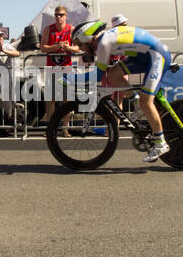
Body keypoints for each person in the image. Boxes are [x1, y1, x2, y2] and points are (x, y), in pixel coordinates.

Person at [70, 18, 175, 162]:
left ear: (87, 39)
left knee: (147, 102)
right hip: (142, 56)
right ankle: (136, 103)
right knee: (113, 74)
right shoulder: (103, 40)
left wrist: (71, 79)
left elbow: (98, 75)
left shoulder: (103, 43)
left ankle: (161, 143)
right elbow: (103, 71)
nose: (80, 48)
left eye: (79, 44)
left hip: (156, 55)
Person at [41, 5, 80, 125]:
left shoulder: (71, 29)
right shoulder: (49, 29)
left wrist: (69, 48)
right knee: (51, 99)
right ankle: (50, 127)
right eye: (56, 15)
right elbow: (42, 47)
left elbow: (78, 48)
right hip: (52, 68)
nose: (58, 17)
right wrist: (57, 46)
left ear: (66, 16)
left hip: (66, 69)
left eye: (61, 15)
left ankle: (65, 128)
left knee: (66, 99)